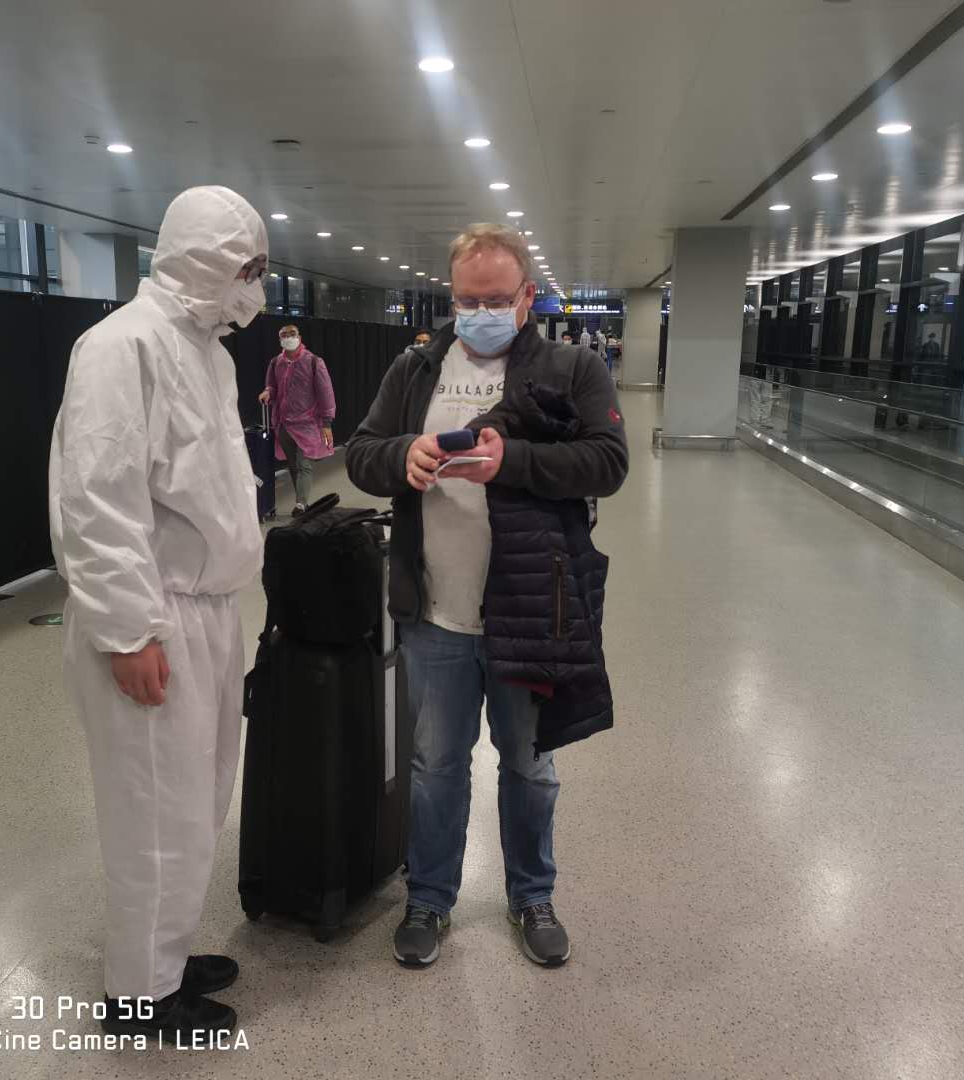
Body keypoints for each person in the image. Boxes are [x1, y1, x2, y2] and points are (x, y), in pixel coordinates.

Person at [347, 222, 627, 971]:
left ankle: (532, 894)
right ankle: (429, 898)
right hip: (435, 612)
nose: (480, 313)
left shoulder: (570, 367)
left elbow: (608, 462)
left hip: (532, 610)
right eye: (467, 300)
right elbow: (361, 453)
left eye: (497, 299)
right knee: (436, 766)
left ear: (526, 296)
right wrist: (401, 455)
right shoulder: (416, 369)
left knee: (530, 767)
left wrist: (514, 461)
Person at [49, 185, 268, 1042]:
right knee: (152, 812)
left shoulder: (208, 353)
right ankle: (139, 997)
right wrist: (128, 629)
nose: (254, 286)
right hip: (152, 615)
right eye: (246, 266)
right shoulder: (121, 346)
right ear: (204, 256)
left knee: (196, 801)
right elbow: (97, 498)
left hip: (207, 609)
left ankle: (164, 958)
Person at [258, 325, 335, 516]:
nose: (288, 337)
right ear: (280, 339)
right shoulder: (276, 362)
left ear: (299, 337)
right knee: (293, 465)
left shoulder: (314, 362)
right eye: (284, 335)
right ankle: (302, 501)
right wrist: (268, 392)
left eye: (292, 334)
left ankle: (301, 504)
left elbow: (326, 393)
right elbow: (272, 385)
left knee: (304, 465)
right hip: (284, 424)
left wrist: (326, 422)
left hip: (307, 423)